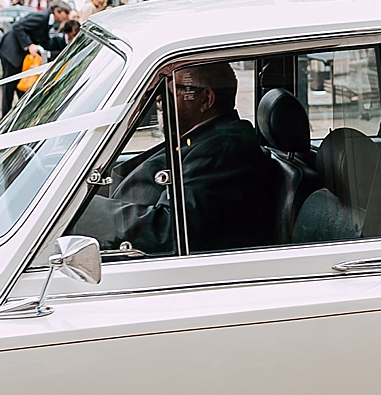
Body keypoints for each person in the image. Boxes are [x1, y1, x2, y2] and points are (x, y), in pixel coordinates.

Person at [75, 60, 283, 255]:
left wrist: (78, 212)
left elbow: (169, 230)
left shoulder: (226, 149)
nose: (159, 97)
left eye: (171, 87)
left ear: (206, 100)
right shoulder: (201, 139)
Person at [0, 0, 73, 115]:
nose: (67, 17)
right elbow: (18, 27)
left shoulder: (47, 20)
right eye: (65, 13)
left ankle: (20, 113)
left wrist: (65, 43)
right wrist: (29, 44)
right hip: (11, 50)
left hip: (16, 52)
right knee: (9, 84)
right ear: (57, 12)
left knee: (19, 82)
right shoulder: (42, 17)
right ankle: (6, 115)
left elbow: (45, 41)